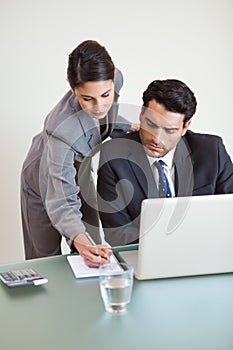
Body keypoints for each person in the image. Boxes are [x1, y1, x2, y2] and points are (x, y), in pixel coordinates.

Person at [21, 40, 138, 266]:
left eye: (106, 94)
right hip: (43, 178)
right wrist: (78, 240)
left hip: (80, 168)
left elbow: (106, 115)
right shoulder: (60, 130)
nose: (99, 106)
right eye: (87, 99)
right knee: (45, 258)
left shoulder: (116, 78)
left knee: (94, 242)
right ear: (71, 86)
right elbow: (61, 201)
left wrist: (128, 127)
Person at [97, 79, 233, 246]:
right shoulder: (113, 155)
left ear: (185, 127)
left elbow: (229, 215)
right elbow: (117, 233)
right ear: (141, 113)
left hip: (204, 249)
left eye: (169, 130)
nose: (156, 138)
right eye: (151, 124)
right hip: (144, 255)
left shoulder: (212, 151)